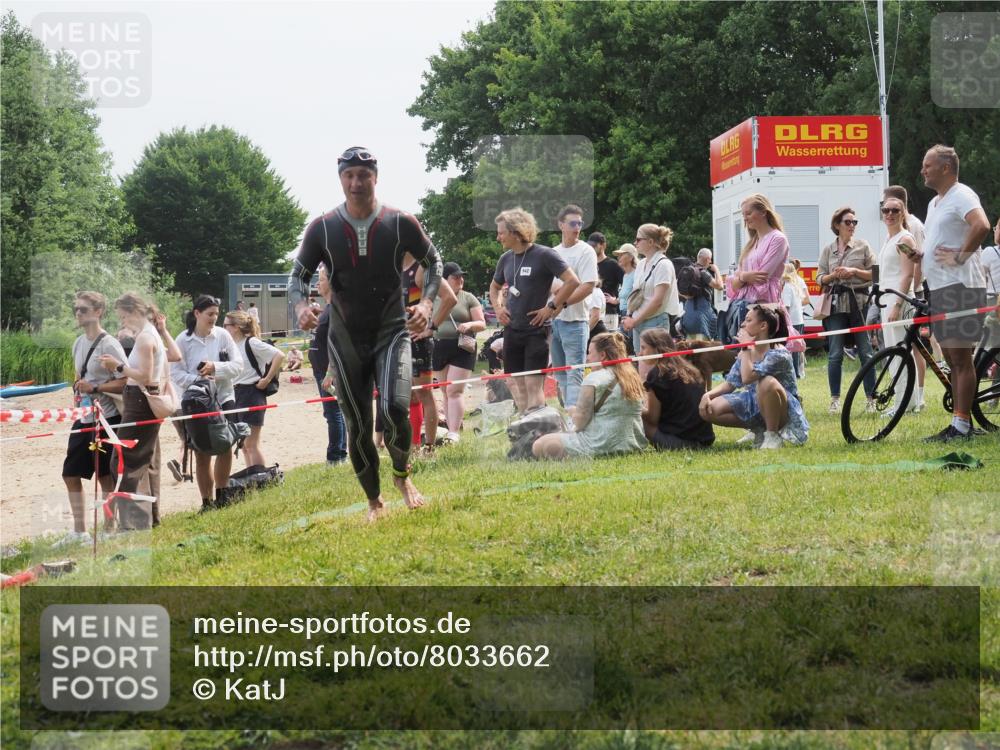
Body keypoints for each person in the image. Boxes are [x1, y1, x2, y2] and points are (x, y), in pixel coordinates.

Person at [288, 146, 442, 521]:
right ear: (340, 178)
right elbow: (297, 276)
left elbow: (433, 261)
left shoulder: (399, 221)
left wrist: (425, 305)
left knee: (394, 408)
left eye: (364, 175)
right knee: (357, 426)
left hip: (391, 332)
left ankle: (402, 477)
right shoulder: (322, 227)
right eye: (349, 175)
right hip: (345, 339)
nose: (356, 182)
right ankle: (374, 500)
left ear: (376, 177)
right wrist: (300, 307)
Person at [917, 144, 991, 441]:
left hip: (961, 286)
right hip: (940, 287)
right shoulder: (935, 203)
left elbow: (982, 225)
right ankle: (959, 420)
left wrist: (960, 255)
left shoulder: (962, 194)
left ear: (946, 168)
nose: (922, 170)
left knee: (960, 358)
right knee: (950, 355)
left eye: (927, 165)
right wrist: (921, 255)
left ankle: (961, 426)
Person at [489, 207, 580, 414]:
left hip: (536, 331)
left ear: (516, 232)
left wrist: (550, 308)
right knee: (517, 384)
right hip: (512, 330)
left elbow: (572, 281)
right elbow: (494, 287)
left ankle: (539, 430)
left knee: (532, 385)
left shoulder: (545, 254)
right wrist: (498, 308)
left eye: (501, 232)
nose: (498, 237)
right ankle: (525, 429)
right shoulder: (505, 259)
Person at [60, 292, 127, 542]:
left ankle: (110, 527)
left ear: (98, 312)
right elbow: (81, 378)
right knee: (70, 473)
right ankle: (79, 531)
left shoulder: (109, 344)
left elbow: (125, 381)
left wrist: (96, 388)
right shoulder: (78, 343)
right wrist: (79, 387)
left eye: (84, 309)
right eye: (76, 309)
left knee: (105, 475)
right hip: (84, 416)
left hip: (108, 418)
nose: (78, 313)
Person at [97, 293, 167, 527]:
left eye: (124, 316)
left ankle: (132, 522)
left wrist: (116, 366)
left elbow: (145, 376)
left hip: (140, 401)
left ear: (135, 312)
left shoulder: (146, 338)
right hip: (140, 400)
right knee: (139, 461)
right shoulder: (148, 334)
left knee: (124, 462)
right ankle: (146, 519)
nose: (123, 321)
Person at [700, 304, 809, 449]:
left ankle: (772, 435)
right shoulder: (746, 353)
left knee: (766, 382)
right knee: (712, 408)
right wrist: (707, 395)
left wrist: (745, 348)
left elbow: (747, 378)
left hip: (783, 409)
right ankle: (759, 430)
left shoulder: (778, 354)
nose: (743, 324)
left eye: (748, 320)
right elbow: (730, 384)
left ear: (763, 326)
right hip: (754, 400)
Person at [171, 294, 244, 511]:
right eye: (209, 314)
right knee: (201, 453)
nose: (214, 318)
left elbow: (238, 365)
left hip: (224, 397)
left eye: (216, 314)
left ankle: (223, 495)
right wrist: (200, 381)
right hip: (197, 402)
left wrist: (216, 368)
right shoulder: (182, 340)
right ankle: (206, 501)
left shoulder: (223, 335)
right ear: (197, 314)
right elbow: (175, 373)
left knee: (225, 447)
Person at [531, 332, 646, 459]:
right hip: (633, 445)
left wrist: (573, 412)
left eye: (590, 353)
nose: (587, 358)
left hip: (599, 445)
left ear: (602, 355)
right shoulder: (634, 377)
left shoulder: (594, 378)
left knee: (539, 444)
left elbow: (580, 422)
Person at [818, 206, 877, 413]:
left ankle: (871, 399)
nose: (852, 226)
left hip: (859, 303)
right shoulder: (828, 249)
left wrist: (853, 271)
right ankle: (835, 400)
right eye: (847, 222)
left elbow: (876, 274)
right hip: (835, 305)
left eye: (854, 222)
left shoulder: (863, 246)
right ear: (837, 225)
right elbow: (819, 278)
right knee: (834, 354)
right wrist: (833, 276)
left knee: (866, 352)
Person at [403, 250, 457, 451]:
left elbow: (450, 298)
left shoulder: (421, 269)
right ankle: (414, 445)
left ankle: (429, 447)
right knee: (409, 396)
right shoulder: (395, 267)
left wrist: (431, 328)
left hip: (419, 342)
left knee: (424, 394)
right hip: (401, 342)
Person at [877, 195, 924, 414]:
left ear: (903, 213)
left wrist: (897, 304)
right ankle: (906, 401)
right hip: (887, 299)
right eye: (886, 210)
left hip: (900, 299)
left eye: (895, 210)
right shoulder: (889, 239)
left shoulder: (905, 239)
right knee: (894, 352)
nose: (889, 214)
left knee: (900, 352)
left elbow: (907, 275)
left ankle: (905, 403)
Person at [549, 205, 598, 409]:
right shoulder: (553, 252)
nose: (577, 227)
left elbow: (587, 286)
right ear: (561, 225)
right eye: (572, 223)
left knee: (575, 374)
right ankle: (569, 414)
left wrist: (563, 301)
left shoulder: (586, 251)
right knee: (560, 374)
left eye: (580, 223)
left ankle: (575, 421)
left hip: (576, 322)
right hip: (555, 322)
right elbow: (549, 283)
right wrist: (565, 290)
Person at [432, 261, 486, 444]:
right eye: (456, 277)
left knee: (455, 390)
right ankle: (451, 428)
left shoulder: (468, 297)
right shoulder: (432, 297)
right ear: (445, 280)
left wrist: (469, 325)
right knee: (445, 391)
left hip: (462, 347)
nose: (460, 279)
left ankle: (454, 432)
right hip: (438, 346)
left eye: (461, 276)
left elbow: (482, 323)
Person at [224, 309, 285, 469]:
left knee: (251, 444)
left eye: (226, 325)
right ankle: (252, 479)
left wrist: (267, 379)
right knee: (243, 445)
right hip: (235, 394)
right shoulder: (231, 346)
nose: (224, 329)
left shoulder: (251, 342)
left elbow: (279, 355)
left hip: (251, 393)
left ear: (236, 326)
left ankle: (260, 478)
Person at [725, 194, 789, 344]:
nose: (745, 218)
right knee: (743, 353)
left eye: (748, 213)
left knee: (762, 353)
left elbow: (762, 277)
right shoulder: (751, 244)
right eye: (743, 215)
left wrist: (741, 278)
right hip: (743, 306)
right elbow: (734, 283)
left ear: (763, 212)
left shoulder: (778, 239)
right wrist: (744, 277)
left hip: (764, 305)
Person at [639, 327, 715, 450]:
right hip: (705, 439)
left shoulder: (657, 374)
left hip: (680, 442)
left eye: (643, 348)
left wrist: (635, 408)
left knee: (638, 419)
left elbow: (652, 419)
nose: (639, 354)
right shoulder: (689, 368)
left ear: (657, 348)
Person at [308, 266, 348, 466]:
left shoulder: (336, 309)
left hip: (329, 371)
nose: (317, 283)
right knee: (333, 412)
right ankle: (340, 454)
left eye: (321, 279)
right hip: (320, 369)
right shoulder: (329, 308)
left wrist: (331, 372)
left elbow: (340, 343)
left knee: (334, 413)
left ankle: (336, 456)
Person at [622, 224, 679, 353]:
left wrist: (634, 320)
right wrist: (629, 317)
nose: (635, 243)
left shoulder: (664, 264)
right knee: (642, 366)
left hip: (655, 322)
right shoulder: (641, 264)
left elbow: (657, 301)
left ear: (651, 242)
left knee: (657, 367)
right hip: (638, 323)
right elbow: (636, 294)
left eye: (638, 239)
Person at [680, 247, 723, 340]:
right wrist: (716, 270)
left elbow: (678, 289)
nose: (710, 261)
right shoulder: (702, 272)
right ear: (708, 259)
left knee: (691, 345)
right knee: (703, 345)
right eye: (710, 259)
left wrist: (688, 296)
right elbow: (719, 286)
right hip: (702, 312)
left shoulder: (688, 271)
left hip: (688, 312)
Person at [589, 232, 625, 330]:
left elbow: (628, 285)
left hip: (608, 313)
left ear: (603, 245)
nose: (592, 248)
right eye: (590, 245)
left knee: (607, 344)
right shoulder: (589, 264)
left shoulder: (612, 264)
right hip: (589, 312)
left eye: (594, 245)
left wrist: (617, 301)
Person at [781, 263, 806, 378]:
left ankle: (794, 372)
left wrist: (783, 320)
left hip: (792, 321)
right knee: (797, 348)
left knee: (792, 348)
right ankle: (799, 371)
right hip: (799, 319)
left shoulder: (787, 287)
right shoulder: (794, 285)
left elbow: (786, 307)